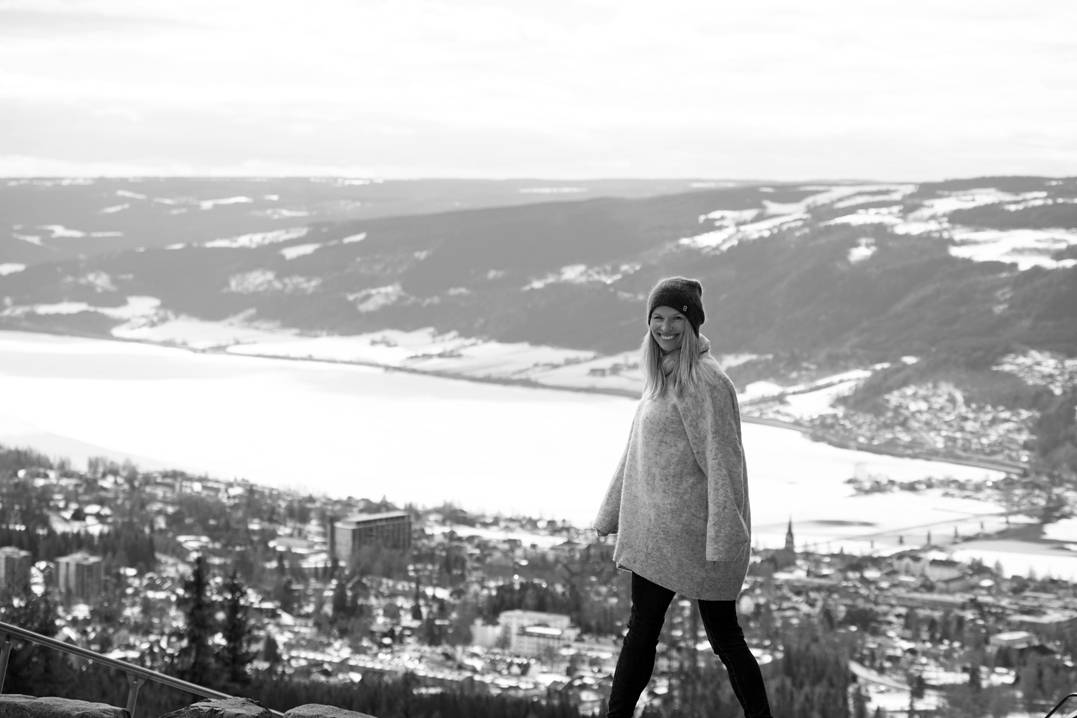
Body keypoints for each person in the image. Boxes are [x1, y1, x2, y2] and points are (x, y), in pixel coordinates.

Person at [593, 276, 773, 718]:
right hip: (658, 535)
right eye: (657, 318)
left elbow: (724, 462)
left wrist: (725, 539)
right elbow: (637, 454)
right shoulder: (663, 375)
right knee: (642, 631)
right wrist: (610, 512)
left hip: (696, 535)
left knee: (724, 638)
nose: (665, 328)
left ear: (693, 324)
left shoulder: (705, 381)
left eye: (676, 318)